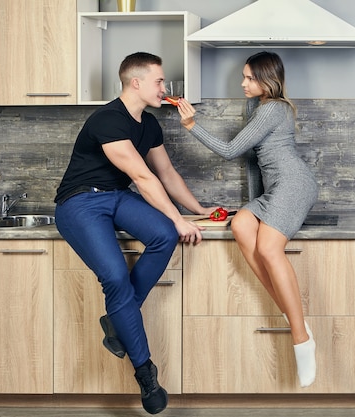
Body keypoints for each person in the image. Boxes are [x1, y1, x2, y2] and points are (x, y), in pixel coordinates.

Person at [54, 52, 217, 414]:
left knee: (163, 235)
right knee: (114, 276)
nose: (166, 89)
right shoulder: (108, 120)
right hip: (79, 203)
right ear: (136, 83)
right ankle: (146, 373)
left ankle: (117, 319)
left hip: (116, 198)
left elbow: (167, 173)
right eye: (160, 82)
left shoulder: (149, 124)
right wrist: (177, 218)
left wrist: (197, 210)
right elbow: (144, 178)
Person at [175, 51, 319, 388]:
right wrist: (253, 205)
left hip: (294, 184)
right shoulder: (258, 107)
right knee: (240, 224)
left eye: (250, 78)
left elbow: (231, 150)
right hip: (273, 190)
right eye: (244, 76)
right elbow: (255, 162)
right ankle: (289, 311)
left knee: (269, 249)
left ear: (267, 79)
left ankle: (302, 339)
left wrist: (192, 125)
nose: (243, 83)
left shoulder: (273, 108)